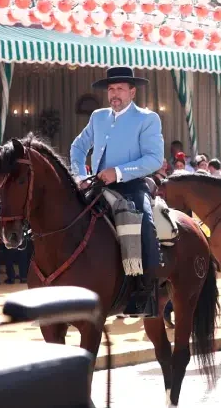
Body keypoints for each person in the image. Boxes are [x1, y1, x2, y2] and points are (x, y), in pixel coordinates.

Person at [70, 66, 163, 317]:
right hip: (97, 186)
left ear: (132, 92)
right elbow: (77, 148)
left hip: (132, 186)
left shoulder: (147, 118)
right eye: (111, 89)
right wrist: (80, 177)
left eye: (120, 88)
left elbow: (155, 159)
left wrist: (118, 172)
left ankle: (146, 292)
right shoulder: (98, 117)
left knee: (146, 228)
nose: (115, 94)